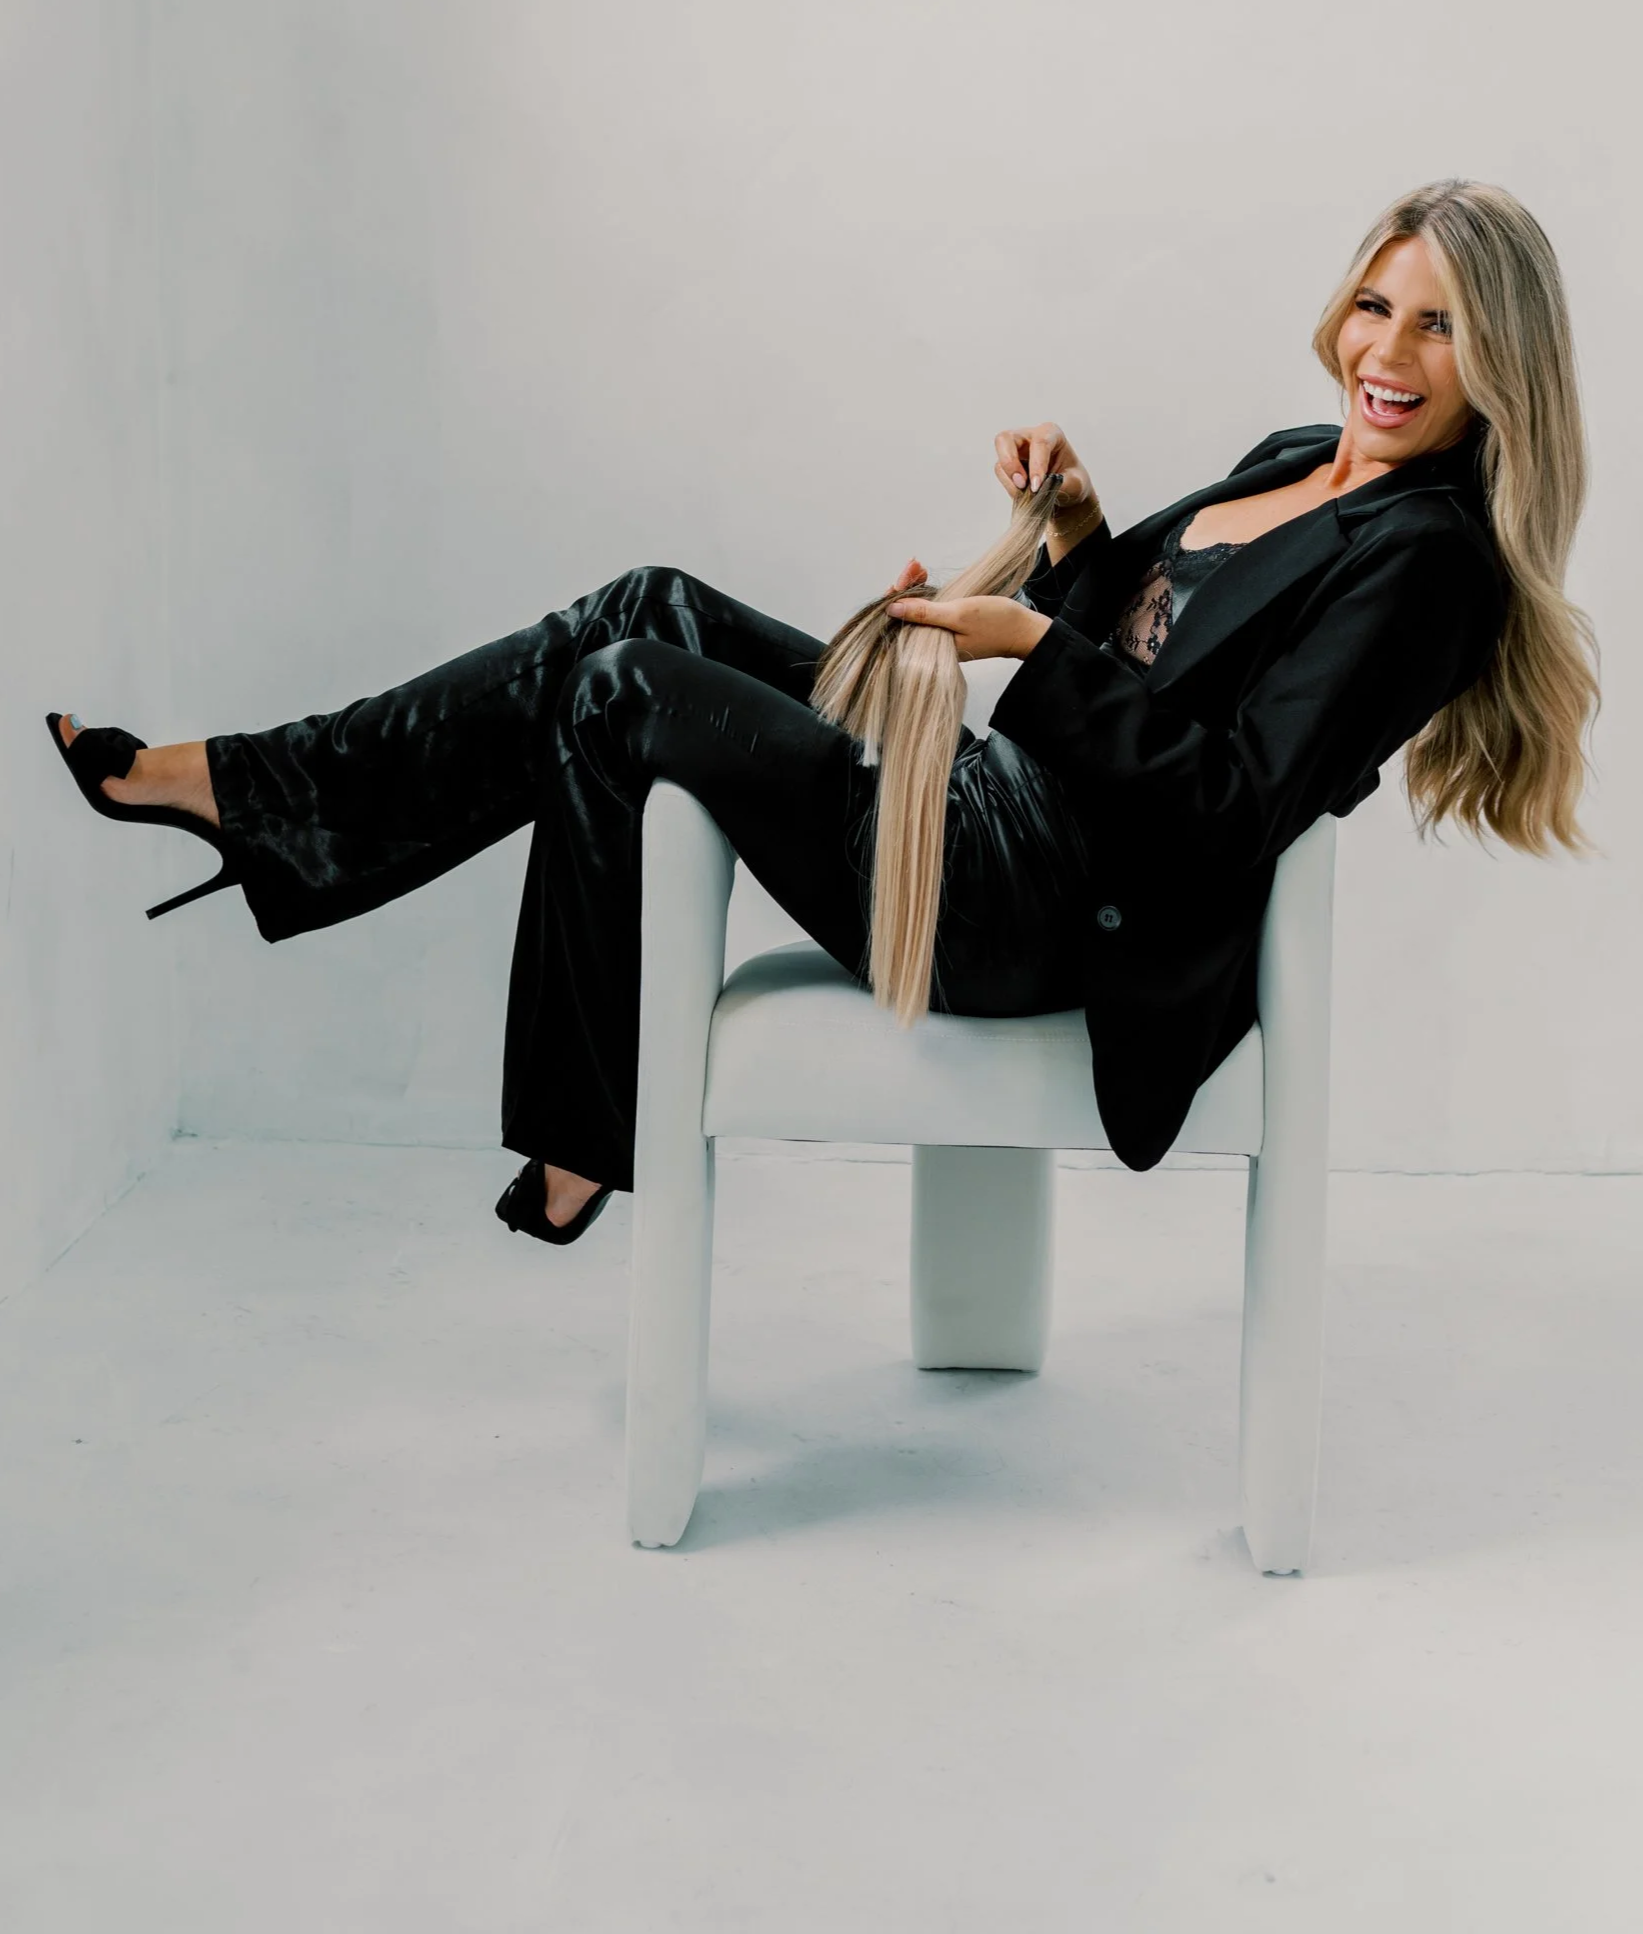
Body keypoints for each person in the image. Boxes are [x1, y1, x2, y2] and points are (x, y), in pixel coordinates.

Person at [49, 180, 1598, 1239]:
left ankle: (580, 1127)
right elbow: (1142, 640)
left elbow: (1232, 803)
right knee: (645, 606)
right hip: (993, 797)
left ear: (1497, 362)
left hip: (1035, 899)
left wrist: (1022, 646)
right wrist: (1071, 530)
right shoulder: (1297, 459)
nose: (1388, 353)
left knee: (619, 692)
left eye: (1440, 327)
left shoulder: (1426, 562)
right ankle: (258, 792)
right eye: (1377, 305)